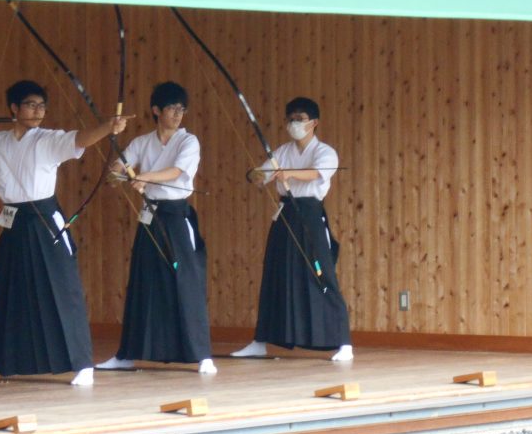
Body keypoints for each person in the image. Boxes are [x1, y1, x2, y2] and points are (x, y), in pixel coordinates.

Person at [0, 80, 127, 386]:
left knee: (62, 290)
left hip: (44, 220)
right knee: (6, 294)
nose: (38, 111)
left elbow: (82, 139)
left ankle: (82, 364)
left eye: (42, 106)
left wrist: (108, 128)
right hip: (14, 221)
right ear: (14, 109)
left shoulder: (48, 139)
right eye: (31, 105)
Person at [96, 81, 216, 374]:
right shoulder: (141, 142)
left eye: (181, 109)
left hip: (176, 216)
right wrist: (118, 172)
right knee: (142, 282)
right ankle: (127, 355)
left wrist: (147, 177)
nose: (177, 114)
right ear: (156, 110)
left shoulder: (188, 141)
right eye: (172, 108)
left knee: (185, 281)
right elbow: (117, 170)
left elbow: (177, 172)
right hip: (151, 216)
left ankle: (203, 355)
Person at [231, 97, 352, 361]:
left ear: (314, 123)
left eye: (300, 118)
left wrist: (290, 174)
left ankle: (343, 343)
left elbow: (317, 173)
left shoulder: (325, 152)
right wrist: (257, 175)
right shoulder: (282, 152)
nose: (295, 123)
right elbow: (261, 176)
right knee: (275, 273)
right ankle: (261, 341)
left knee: (322, 274)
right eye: (291, 119)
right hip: (286, 215)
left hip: (309, 214)